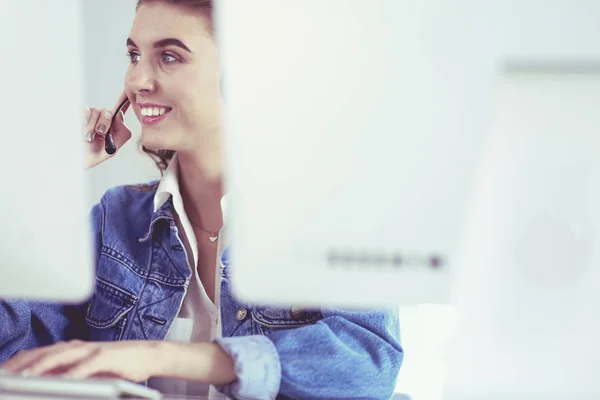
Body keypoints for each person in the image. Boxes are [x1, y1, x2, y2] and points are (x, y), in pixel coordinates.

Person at [0, 0, 403, 399]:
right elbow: (14, 356)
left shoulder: (330, 216)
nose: (137, 81)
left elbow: (366, 366)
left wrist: (159, 356)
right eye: (134, 55)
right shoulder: (115, 220)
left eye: (169, 57)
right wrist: (41, 180)